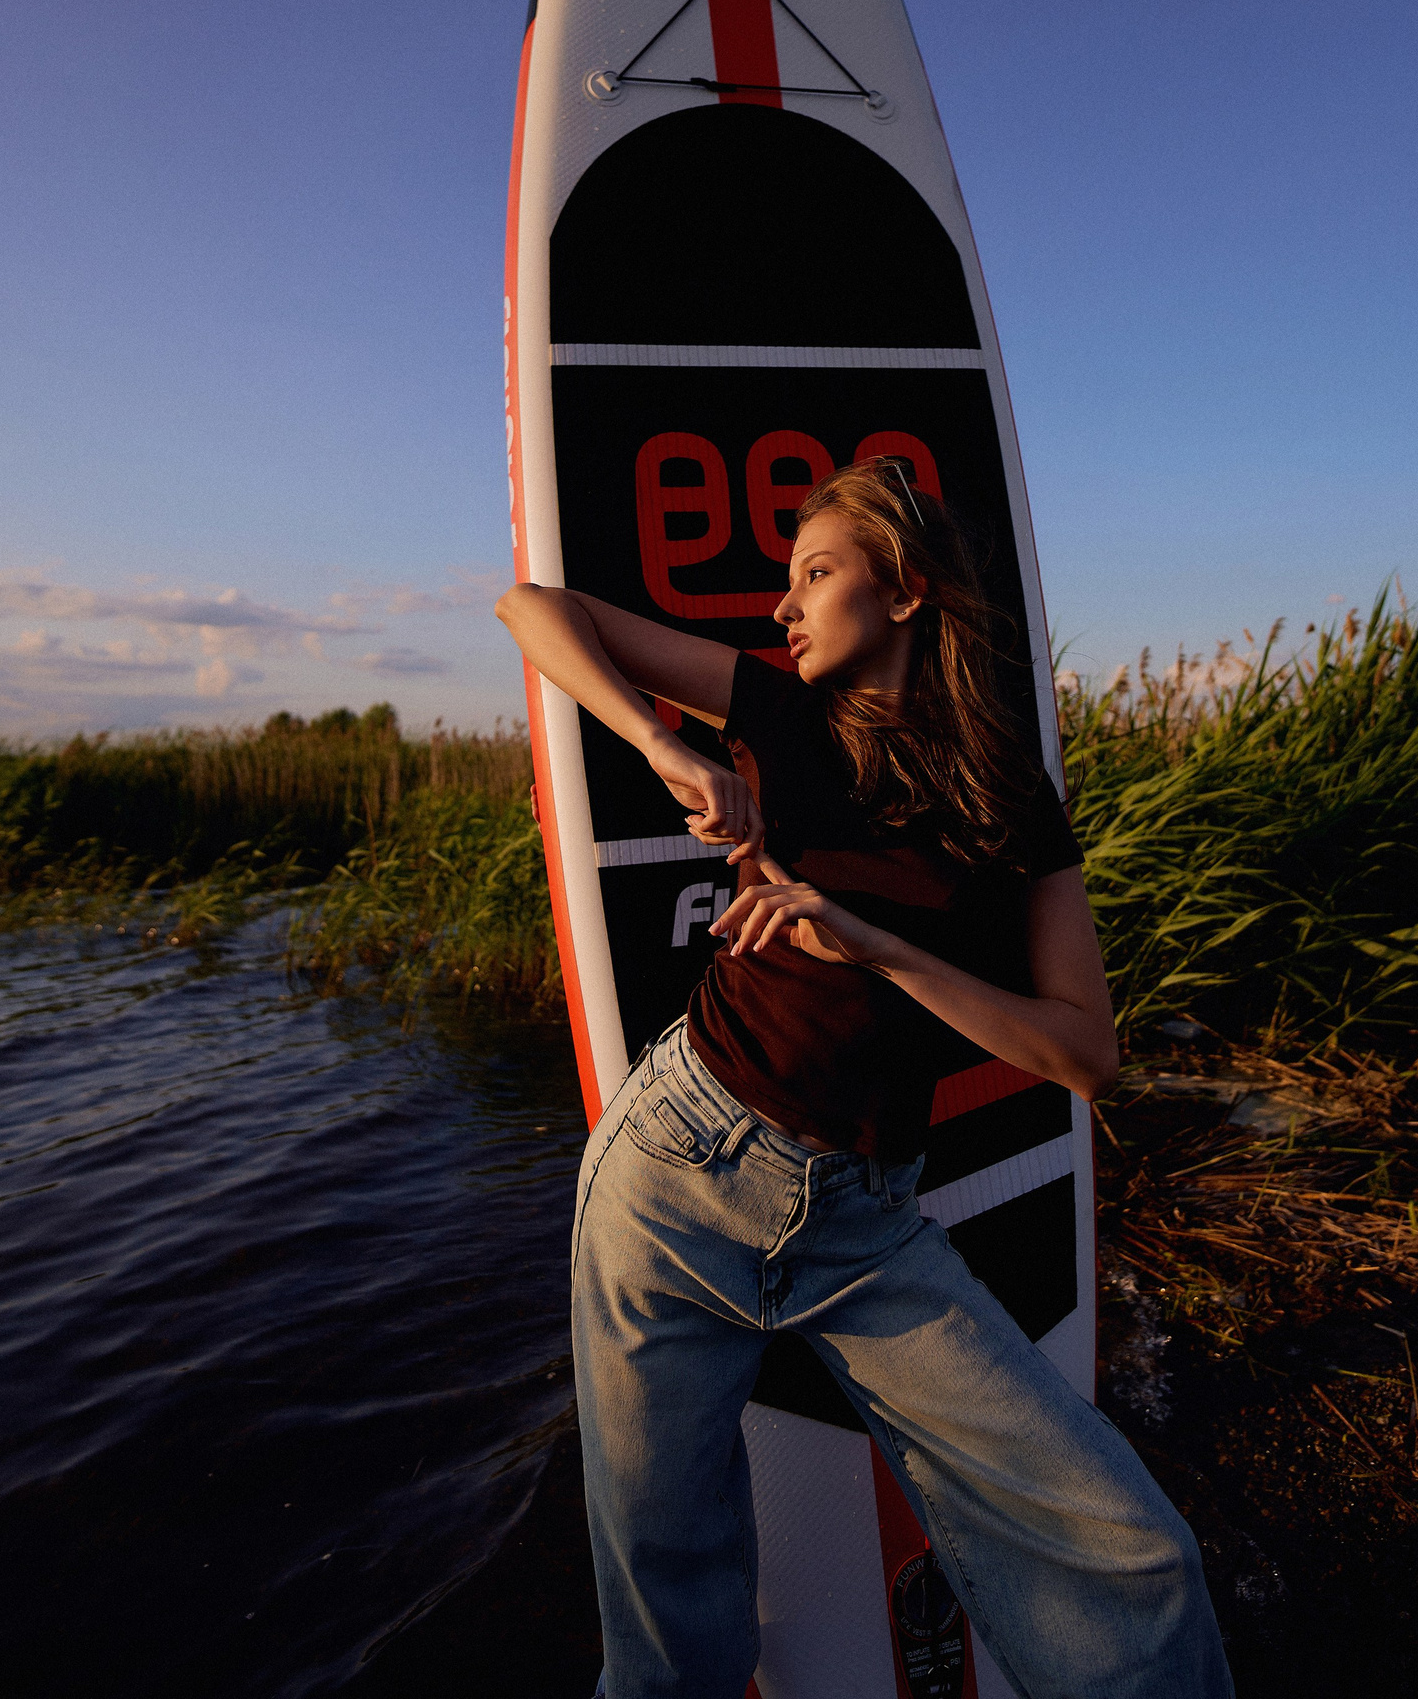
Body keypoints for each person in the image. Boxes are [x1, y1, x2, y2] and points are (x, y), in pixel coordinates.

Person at [496, 459, 1235, 1699]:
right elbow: (531, 608)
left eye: (817, 575)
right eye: (786, 582)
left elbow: (1083, 1056)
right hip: (675, 1176)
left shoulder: (1014, 803)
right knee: (673, 1629)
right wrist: (661, 745)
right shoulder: (773, 714)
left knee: (1132, 1557)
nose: (783, 608)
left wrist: (881, 948)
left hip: (862, 1220)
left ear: (905, 592)